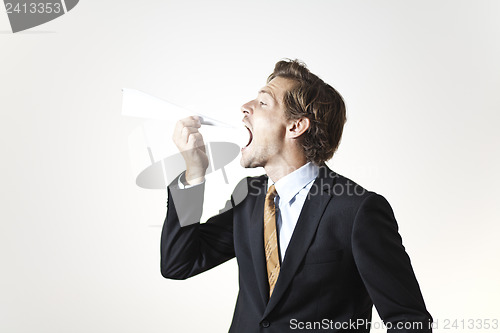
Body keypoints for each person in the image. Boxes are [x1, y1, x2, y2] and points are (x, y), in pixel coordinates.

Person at [161, 59, 432, 332]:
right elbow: (179, 262)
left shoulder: (356, 210)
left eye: (263, 103)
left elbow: (409, 321)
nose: (245, 108)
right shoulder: (249, 196)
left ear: (296, 126)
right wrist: (193, 174)